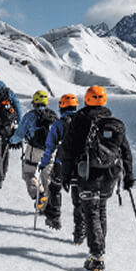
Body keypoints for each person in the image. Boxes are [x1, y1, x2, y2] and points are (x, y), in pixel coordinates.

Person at [57, 86, 134, 271]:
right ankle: (99, 249)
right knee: (101, 209)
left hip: (87, 172)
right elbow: (125, 150)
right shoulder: (113, 122)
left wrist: (65, 175)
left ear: (87, 99)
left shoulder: (80, 119)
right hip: (110, 174)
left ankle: (96, 255)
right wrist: (129, 175)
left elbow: (67, 149)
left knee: (90, 210)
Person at [38, 94, 81, 238]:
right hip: (80, 164)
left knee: (55, 188)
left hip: (61, 163)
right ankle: (80, 228)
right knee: (79, 196)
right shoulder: (84, 121)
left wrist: (44, 164)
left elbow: (50, 147)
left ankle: (54, 217)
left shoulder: (58, 124)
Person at [9, 90, 57, 212]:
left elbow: (19, 135)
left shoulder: (30, 116)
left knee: (28, 174)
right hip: (51, 151)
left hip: (34, 149)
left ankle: (38, 195)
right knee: (47, 176)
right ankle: (47, 205)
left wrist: (11, 141)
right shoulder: (53, 116)